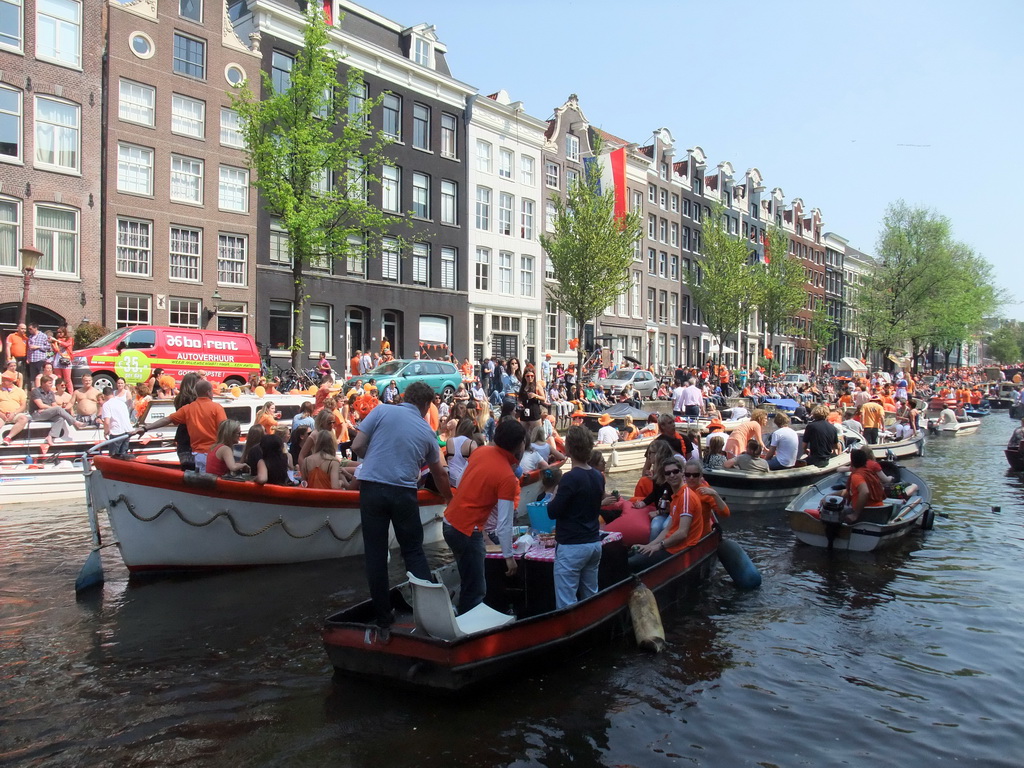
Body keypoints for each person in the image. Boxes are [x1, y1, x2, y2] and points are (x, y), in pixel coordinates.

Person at [350, 381, 453, 632]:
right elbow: (439, 474)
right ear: (426, 405)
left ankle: (384, 618)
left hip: (372, 488)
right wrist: (450, 498)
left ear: (405, 397)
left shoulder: (382, 410)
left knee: (375, 554)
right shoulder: (427, 431)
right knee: (413, 552)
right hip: (404, 492)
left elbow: (356, 446)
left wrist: (374, 456)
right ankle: (430, 616)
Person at [442, 419, 526, 615]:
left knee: (468, 579)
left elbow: (461, 481)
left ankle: (461, 615)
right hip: (467, 530)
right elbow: (505, 524)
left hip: (449, 523)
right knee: (477, 590)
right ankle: (469, 631)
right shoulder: (507, 476)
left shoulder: (480, 451)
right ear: (519, 445)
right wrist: (509, 557)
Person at [547, 425, 603, 609]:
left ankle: (570, 634)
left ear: (569, 449)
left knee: (566, 602)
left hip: (572, 545)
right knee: (591, 597)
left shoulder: (569, 479)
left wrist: (554, 493)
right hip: (593, 542)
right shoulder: (598, 476)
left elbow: (552, 511)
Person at [629, 458, 710, 571]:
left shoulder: (686, 497)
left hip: (679, 550)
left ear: (682, 472)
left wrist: (658, 546)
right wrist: (650, 545)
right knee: (630, 554)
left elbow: (682, 533)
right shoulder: (676, 497)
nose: (672, 475)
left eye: (675, 471)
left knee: (631, 563)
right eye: (668, 473)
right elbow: (667, 529)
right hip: (670, 547)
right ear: (665, 477)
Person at [138, 379, 227, 472]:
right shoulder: (217, 408)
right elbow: (225, 429)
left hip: (197, 455)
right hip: (214, 454)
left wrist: (145, 428)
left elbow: (166, 420)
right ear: (209, 392)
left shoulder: (188, 409)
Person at [844, 447, 887, 523]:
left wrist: (855, 514)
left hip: (866, 513)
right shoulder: (870, 473)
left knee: (833, 511)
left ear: (852, 463)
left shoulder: (856, 476)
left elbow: (865, 492)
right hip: (880, 511)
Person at [99, 386, 133, 457]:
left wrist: (106, 432)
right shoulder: (122, 403)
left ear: (104, 395)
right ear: (113, 394)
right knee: (124, 456)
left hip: (116, 432)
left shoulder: (106, 405)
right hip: (127, 431)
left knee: (114, 457)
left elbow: (107, 422)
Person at [444, 417, 478, 488]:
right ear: (472, 430)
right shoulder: (472, 443)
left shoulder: (450, 441)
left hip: (449, 479)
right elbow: (476, 463)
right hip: (463, 479)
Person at [0, 370, 30, 443]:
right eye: (2, 379)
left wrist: (14, 413)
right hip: (1, 415)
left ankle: (8, 437)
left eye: (5, 379)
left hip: (15, 414)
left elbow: (23, 406)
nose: (2, 381)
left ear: (11, 381)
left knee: (23, 418)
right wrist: (1, 414)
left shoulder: (20, 391)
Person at [50, 326, 74, 391]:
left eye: (60, 332)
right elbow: (55, 350)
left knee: (67, 379)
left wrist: (57, 341)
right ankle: (59, 392)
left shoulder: (69, 339)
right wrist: (52, 344)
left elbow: (66, 345)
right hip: (58, 359)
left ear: (64, 332)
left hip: (66, 359)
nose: (59, 334)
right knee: (58, 378)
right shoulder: (56, 340)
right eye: (58, 332)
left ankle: (71, 394)